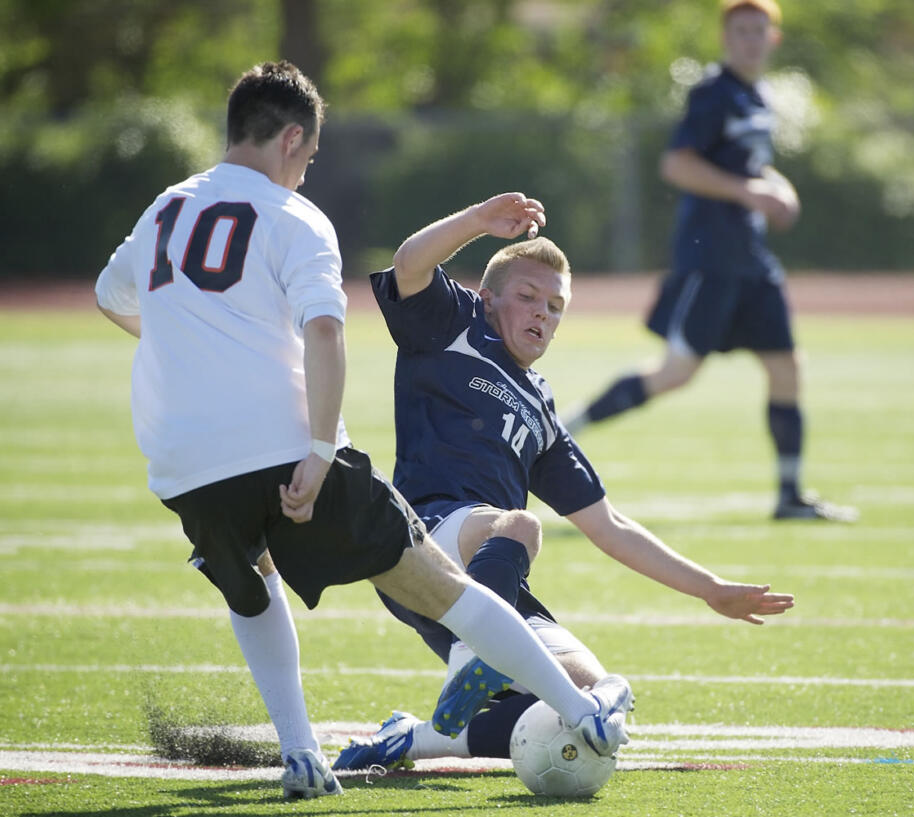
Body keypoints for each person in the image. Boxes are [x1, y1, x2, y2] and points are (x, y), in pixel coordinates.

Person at [94, 61, 632, 800]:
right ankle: (582, 712)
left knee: (252, 587)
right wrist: (318, 452)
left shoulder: (164, 210)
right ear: (291, 138)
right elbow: (323, 331)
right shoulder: (294, 216)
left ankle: (300, 752)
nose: (306, 173)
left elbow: (110, 293)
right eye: (308, 158)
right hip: (283, 443)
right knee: (442, 587)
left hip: (180, 458)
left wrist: (193, 349)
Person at [328, 192, 795, 771]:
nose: (541, 314)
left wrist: (710, 589)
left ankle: (413, 738)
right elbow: (410, 264)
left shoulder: (540, 410)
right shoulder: (454, 324)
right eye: (526, 297)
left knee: (585, 704)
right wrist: (478, 221)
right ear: (488, 298)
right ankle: (478, 656)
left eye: (555, 306)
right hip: (419, 541)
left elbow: (610, 526)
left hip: (489, 573)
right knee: (520, 525)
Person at [563, 0, 854, 523]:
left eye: (758, 30)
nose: (750, 39)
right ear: (725, 38)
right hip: (712, 257)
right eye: (740, 31)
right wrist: (748, 192)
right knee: (676, 373)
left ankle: (790, 496)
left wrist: (777, 189)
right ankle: (563, 430)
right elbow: (677, 164)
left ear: (774, 38)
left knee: (787, 369)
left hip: (753, 260)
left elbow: (753, 168)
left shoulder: (757, 96)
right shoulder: (712, 93)